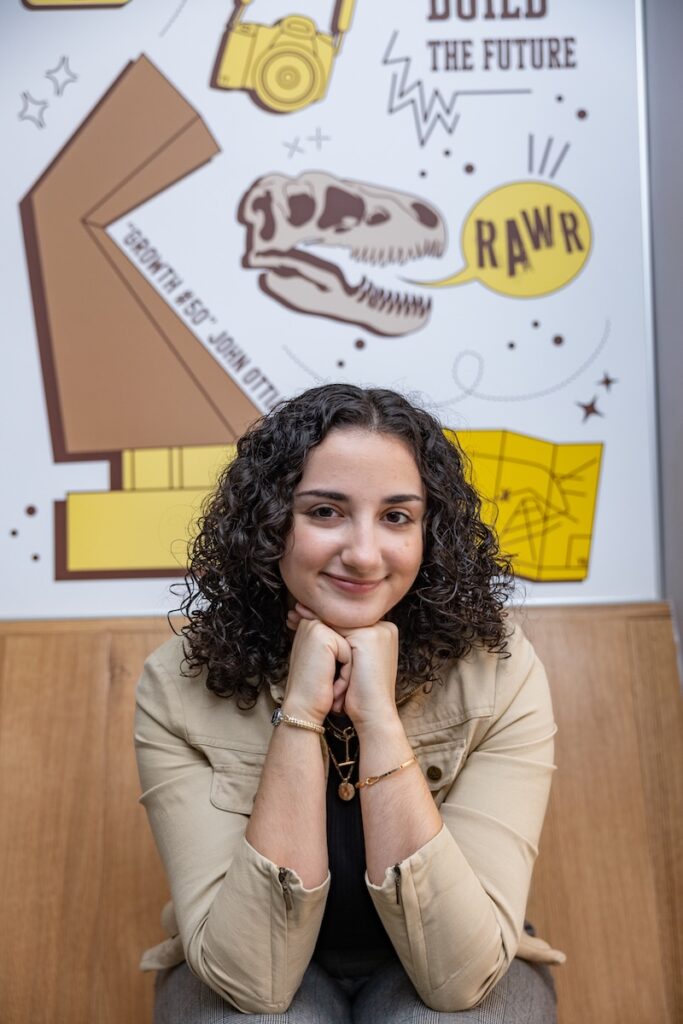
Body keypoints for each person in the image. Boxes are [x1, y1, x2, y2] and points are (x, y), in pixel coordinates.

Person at [134, 384, 565, 1023]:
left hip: (456, 955)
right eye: (326, 511)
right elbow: (255, 981)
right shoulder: (177, 684)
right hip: (248, 957)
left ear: (430, 533)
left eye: (397, 517)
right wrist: (303, 712)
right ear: (270, 522)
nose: (364, 555)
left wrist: (378, 718)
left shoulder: (499, 671)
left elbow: (460, 975)